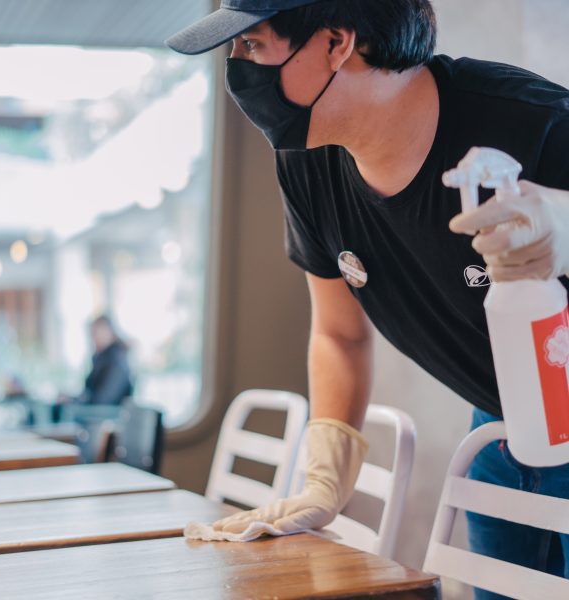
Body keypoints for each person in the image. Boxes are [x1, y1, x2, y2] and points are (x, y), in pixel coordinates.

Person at [167, 1, 569, 596]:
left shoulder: (530, 122)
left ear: (337, 42)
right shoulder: (308, 164)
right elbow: (340, 333)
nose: (237, 68)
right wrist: (326, 477)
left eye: (252, 44)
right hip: (503, 425)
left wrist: (564, 221)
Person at [61, 315, 133, 408]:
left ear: (110, 333)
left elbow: (103, 400)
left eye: (96, 333)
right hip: (94, 410)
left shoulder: (116, 361)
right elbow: (89, 392)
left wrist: (75, 402)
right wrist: (72, 399)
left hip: (103, 414)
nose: (94, 338)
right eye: (92, 334)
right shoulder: (101, 359)